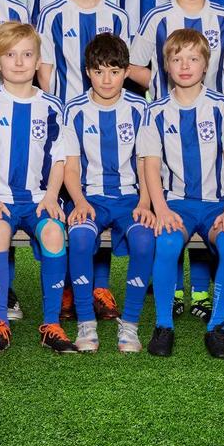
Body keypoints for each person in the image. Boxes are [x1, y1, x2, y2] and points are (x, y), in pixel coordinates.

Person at [140, 29, 224, 359]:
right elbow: (150, 166)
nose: (185, 66)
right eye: (177, 59)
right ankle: (163, 325)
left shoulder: (223, 106)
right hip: (176, 204)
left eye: (193, 59)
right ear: (166, 65)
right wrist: (161, 209)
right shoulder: (155, 111)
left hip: (217, 204)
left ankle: (217, 327)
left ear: (205, 64)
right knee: (166, 243)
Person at [0, 23, 72, 354]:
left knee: (54, 233)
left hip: (39, 198)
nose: (19, 62)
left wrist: (53, 196)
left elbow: (59, 159)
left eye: (27, 55)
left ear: (38, 60)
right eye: (10, 55)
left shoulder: (52, 106)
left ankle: (51, 324)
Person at [61, 34, 153, 354]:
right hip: (90, 197)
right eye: (99, 71)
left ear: (126, 72)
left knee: (144, 240)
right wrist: (79, 201)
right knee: (81, 238)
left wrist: (145, 202)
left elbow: (145, 162)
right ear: (88, 72)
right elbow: (70, 166)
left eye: (114, 71)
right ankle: (86, 323)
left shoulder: (140, 108)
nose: (106, 79)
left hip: (130, 199)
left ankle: (130, 325)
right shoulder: (74, 110)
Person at [36, 0, 131, 104]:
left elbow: (120, 70)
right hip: (65, 110)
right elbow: (44, 73)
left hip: (105, 110)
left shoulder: (118, 17)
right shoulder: (50, 15)